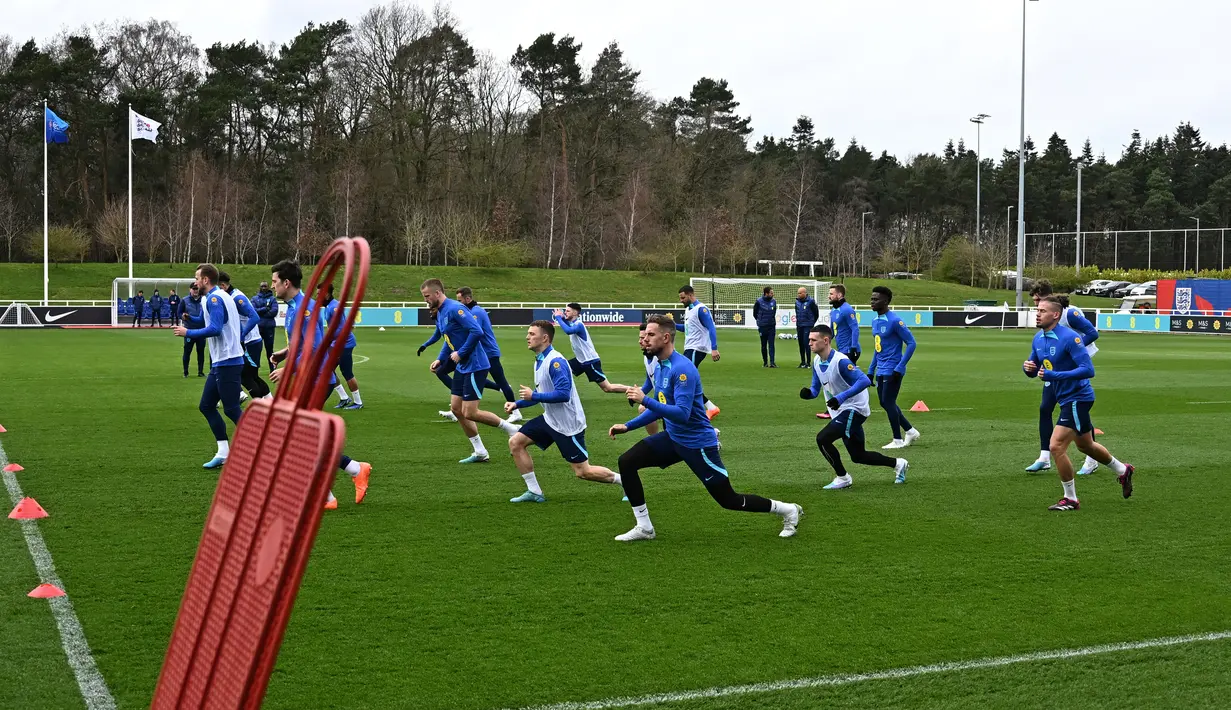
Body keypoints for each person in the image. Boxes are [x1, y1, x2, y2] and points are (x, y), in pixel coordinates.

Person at [608, 315, 802, 541]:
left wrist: (645, 400)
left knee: (729, 500)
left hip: (698, 444)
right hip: (674, 438)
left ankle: (788, 510)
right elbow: (662, 407)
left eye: (651, 335)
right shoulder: (659, 366)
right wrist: (628, 426)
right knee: (627, 461)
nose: (645, 339)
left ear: (666, 337)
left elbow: (681, 414)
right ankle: (644, 527)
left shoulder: (682, 370)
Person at [268, 260, 372, 509]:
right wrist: (285, 352)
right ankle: (349, 475)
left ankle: (341, 482)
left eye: (274, 282)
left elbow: (314, 346)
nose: (272, 287)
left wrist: (288, 368)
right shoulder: (295, 307)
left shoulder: (307, 309)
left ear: (286, 282)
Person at [1023, 296, 1134, 511]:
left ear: (1056, 315)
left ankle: (1071, 498)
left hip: (1077, 398)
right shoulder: (1038, 338)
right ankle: (1123, 470)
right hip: (1066, 397)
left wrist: (1055, 375)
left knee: (1056, 446)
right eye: (1037, 310)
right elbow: (1035, 367)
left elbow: (1088, 370)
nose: (1037, 313)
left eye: (1042, 310)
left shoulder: (1070, 338)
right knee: (1086, 445)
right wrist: (1028, 368)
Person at [504, 320, 624, 503]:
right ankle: (534, 492)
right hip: (550, 419)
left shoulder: (555, 362)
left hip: (568, 424)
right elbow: (541, 394)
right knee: (516, 443)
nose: (527, 337)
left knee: (583, 472)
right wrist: (518, 404)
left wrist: (533, 396)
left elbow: (563, 394)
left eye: (532, 334)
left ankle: (625, 481)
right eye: (528, 333)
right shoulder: (540, 360)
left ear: (545, 338)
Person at [422, 278, 522, 463]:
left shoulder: (454, 308)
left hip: (476, 365)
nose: (426, 300)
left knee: (470, 412)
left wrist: (461, 352)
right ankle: (480, 451)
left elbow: (476, 331)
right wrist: (441, 359)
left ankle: (512, 429)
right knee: (456, 409)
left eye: (427, 296)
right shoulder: (442, 312)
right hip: (463, 366)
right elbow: (447, 338)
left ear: (437, 293)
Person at [800, 324, 908, 489]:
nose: (809, 343)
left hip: (854, 409)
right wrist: (809, 393)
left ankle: (842, 478)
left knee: (823, 438)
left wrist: (841, 398)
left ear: (826, 340)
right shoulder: (816, 361)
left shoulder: (841, 361)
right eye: (809, 340)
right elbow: (816, 388)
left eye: (813, 340)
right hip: (841, 410)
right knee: (858, 456)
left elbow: (864, 380)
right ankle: (898, 464)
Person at [173, 264, 245, 469]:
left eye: (197, 278)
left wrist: (187, 333)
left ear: (205, 280)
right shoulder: (217, 297)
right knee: (206, 405)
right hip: (223, 361)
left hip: (228, 361)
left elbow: (214, 329)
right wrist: (190, 322)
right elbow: (213, 324)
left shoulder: (214, 299)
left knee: (232, 409)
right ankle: (224, 452)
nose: (195, 282)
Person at [1026, 281, 1101, 475]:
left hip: (1074, 368)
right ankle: (1044, 457)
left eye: (1038, 301)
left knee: (1078, 408)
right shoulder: (1042, 328)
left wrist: (1070, 351)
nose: (1036, 307)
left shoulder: (1070, 313)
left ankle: (1092, 457)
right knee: (1046, 407)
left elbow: (1092, 333)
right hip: (1055, 368)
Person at [867, 286, 920, 449]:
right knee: (885, 402)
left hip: (893, 368)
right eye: (872, 299)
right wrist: (870, 370)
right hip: (881, 368)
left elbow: (912, 343)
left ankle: (897, 440)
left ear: (886, 301)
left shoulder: (895, 321)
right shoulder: (875, 321)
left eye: (876, 299)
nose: (872, 302)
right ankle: (910, 431)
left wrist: (900, 366)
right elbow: (878, 348)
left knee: (888, 402)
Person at [457, 286, 520, 422]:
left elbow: (474, 332)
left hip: (489, 353)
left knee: (502, 382)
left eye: (460, 300)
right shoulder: (470, 311)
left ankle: (515, 412)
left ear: (468, 299)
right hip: (480, 354)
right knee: (466, 378)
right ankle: (458, 408)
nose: (458, 303)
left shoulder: (476, 312)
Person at [218, 271, 272, 404]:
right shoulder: (231, 295)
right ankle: (270, 402)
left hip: (251, 342)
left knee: (246, 377)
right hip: (251, 341)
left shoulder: (237, 297)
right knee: (253, 376)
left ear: (223, 285)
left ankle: (259, 409)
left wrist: (241, 336)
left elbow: (255, 317)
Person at [552, 303, 625, 393]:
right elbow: (568, 326)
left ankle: (636, 390)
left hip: (590, 361)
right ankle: (561, 392)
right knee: (563, 369)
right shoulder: (573, 323)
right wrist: (562, 318)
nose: (565, 312)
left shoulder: (579, 324)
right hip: (580, 360)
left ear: (575, 313)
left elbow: (568, 331)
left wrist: (559, 318)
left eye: (567, 311)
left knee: (607, 388)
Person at [678, 285, 721, 419]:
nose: (681, 301)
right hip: (690, 348)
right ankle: (709, 407)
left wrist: (714, 348)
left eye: (683, 297)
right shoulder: (689, 310)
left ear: (691, 295)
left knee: (685, 377)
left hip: (697, 348)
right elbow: (687, 330)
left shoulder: (701, 309)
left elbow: (711, 328)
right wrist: (670, 324)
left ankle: (698, 409)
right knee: (686, 378)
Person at [323, 283, 364, 410]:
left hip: (344, 344)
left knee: (347, 372)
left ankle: (358, 402)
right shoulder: (329, 306)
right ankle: (344, 398)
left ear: (327, 294)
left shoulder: (334, 307)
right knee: (327, 370)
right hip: (336, 344)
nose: (317, 296)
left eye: (319, 294)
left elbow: (340, 329)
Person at [418, 306, 458, 421]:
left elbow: (448, 340)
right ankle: (456, 407)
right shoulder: (439, 320)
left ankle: (457, 405)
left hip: (461, 353)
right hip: (454, 353)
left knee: (467, 378)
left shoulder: (447, 317)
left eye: (432, 309)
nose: (430, 311)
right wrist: (425, 345)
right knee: (441, 372)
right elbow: (439, 336)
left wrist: (440, 358)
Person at [828, 284, 861, 364]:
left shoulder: (847, 309)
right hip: (841, 350)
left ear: (839, 295)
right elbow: (831, 330)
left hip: (849, 350)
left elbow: (855, 329)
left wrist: (853, 347)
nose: (829, 296)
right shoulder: (833, 310)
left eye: (831, 294)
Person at [179, 284, 206, 378]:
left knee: (201, 351)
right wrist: (182, 316)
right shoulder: (184, 300)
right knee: (187, 351)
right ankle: (185, 372)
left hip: (201, 330)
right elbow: (179, 312)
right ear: (190, 290)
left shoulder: (204, 300)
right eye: (194, 289)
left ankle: (200, 371)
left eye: (197, 289)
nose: (195, 291)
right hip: (189, 330)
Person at [252, 281, 279, 372]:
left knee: (270, 350)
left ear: (268, 287)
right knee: (256, 350)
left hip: (269, 328)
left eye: (265, 286)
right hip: (258, 328)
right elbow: (253, 311)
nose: (264, 288)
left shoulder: (272, 299)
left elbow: (274, 312)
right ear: (260, 287)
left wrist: (261, 313)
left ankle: (273, 370)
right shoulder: (255, 299)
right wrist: (265, 309)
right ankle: (254, 370)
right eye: (262, 286)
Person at [794, 286, 820, 368]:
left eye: (800, 293)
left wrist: (811, 322)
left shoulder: (811, 301)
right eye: (798, 293)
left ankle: (808, 362)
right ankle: (802, 362)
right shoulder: (797, 302)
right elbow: (796, 312)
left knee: (807, 343)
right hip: (799, 325)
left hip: (808, 325)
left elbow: (816, 313)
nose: (798, 295)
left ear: (805, 293)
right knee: (800, 343)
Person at [753, 286, 777, 367]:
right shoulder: (759, 301)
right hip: (762, 326)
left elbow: (774, 312)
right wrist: (760, 321)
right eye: (771, 293)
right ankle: (765, 362)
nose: (772, 294)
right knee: (763, 345)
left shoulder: (774, 301)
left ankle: (772, 362)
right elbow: (755, 313)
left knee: (771, 344)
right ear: (766, 293)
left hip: (771, 326)